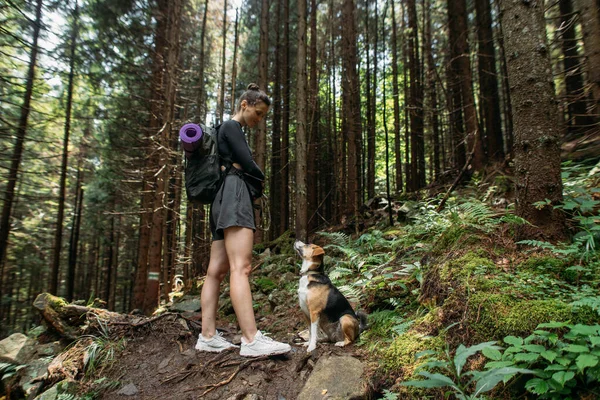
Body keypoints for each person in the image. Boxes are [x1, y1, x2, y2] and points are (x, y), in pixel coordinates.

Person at [195, 83, 291, 357]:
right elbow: (248, 162)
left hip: (220, 201)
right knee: (241, 267)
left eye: (263, 116)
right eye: (258, 113)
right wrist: (261, 176)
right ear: (244, 105)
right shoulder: (231, 127)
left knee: (216, 270)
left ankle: (208, 336)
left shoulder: (222, 130)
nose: (259, 120)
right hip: (235, 194)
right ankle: (251, 339)